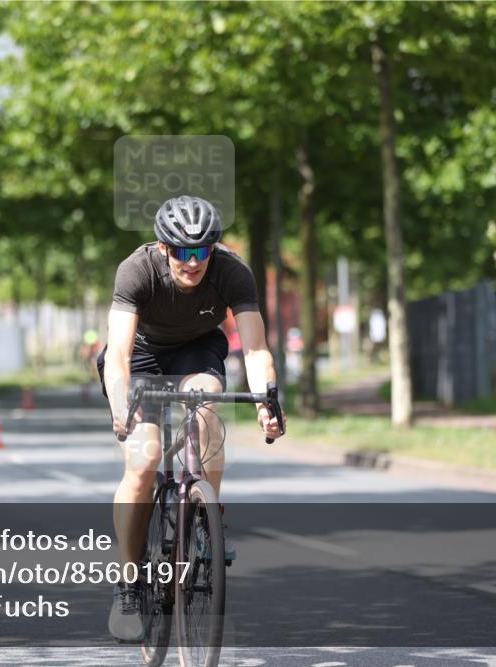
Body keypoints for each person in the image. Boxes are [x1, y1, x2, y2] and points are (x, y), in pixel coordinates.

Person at [97, 195, 286, 641]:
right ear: (165, 247)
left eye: (203, 250)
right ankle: (128, 585)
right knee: (144, 460)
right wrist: (121, 405)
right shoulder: (137, 270)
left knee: (206, 405)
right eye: (183, 251)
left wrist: (266, 401)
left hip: (197, 349)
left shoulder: (232, 271)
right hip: (141, 355)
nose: (194, 261)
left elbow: (256, 347)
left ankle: (206, 517)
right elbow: (119, 353)